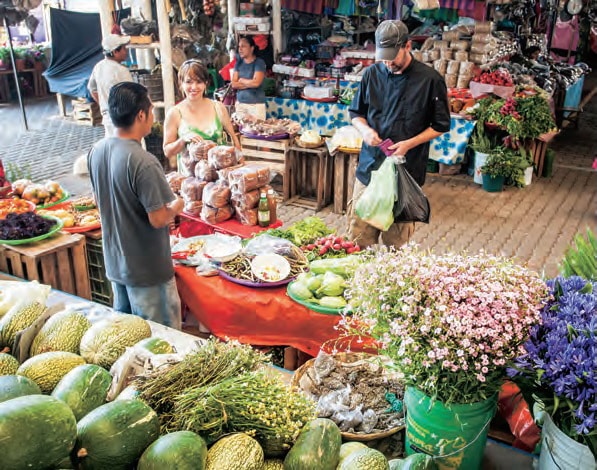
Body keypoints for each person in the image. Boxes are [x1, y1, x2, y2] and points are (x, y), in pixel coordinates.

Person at [88, 82, 184, 329]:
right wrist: (177, 205)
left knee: (127, 338)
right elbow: (159, 218)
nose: (153, 116)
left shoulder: (96, 151)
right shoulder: (143, 161)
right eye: (151, 110)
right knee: (162, 342)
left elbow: (99, 202)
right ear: (141, 115)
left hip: (115, 264)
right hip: (147, 271)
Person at [348, 20, 450, 249]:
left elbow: (441, 125)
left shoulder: (430, 80)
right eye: (383, 56)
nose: (387, 62)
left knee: (397, 244)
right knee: (357, 239)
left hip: (406, 172)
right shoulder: (372, 74)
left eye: (392, 55)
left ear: (408, 45)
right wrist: (365, 130)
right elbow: (356, 112)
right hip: (370, 169)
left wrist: (410, 143)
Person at [163, 59, 241, 174]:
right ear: (181, 83)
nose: (194, 87)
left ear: (206, 83)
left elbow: (235, 142)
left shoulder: (218, 108)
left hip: (219, 181)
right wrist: (183, 140)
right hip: (190, 182)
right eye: (189, 82)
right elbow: (167, 151)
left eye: (199, 82)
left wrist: (241, 166)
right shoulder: (174, 113)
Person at [88, 34, 133, 137]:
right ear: (115, 52)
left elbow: (92, 89)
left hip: (108, 118)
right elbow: (132, 96)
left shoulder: (98, 67)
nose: (126, 51)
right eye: (123, 48)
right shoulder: (122, 71)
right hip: (123, 119)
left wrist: (104, 104)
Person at [231, 35, 267, 120]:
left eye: (243, 46)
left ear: (252, 48)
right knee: (241, 130)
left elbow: (257, 83)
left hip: (256, 105)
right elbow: (233, 84)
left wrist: (242, 80)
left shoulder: (259, 63)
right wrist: (250, 83)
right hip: (240, 104)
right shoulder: (238, 63)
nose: (240, 49)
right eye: (239, 46)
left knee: (257, 131)